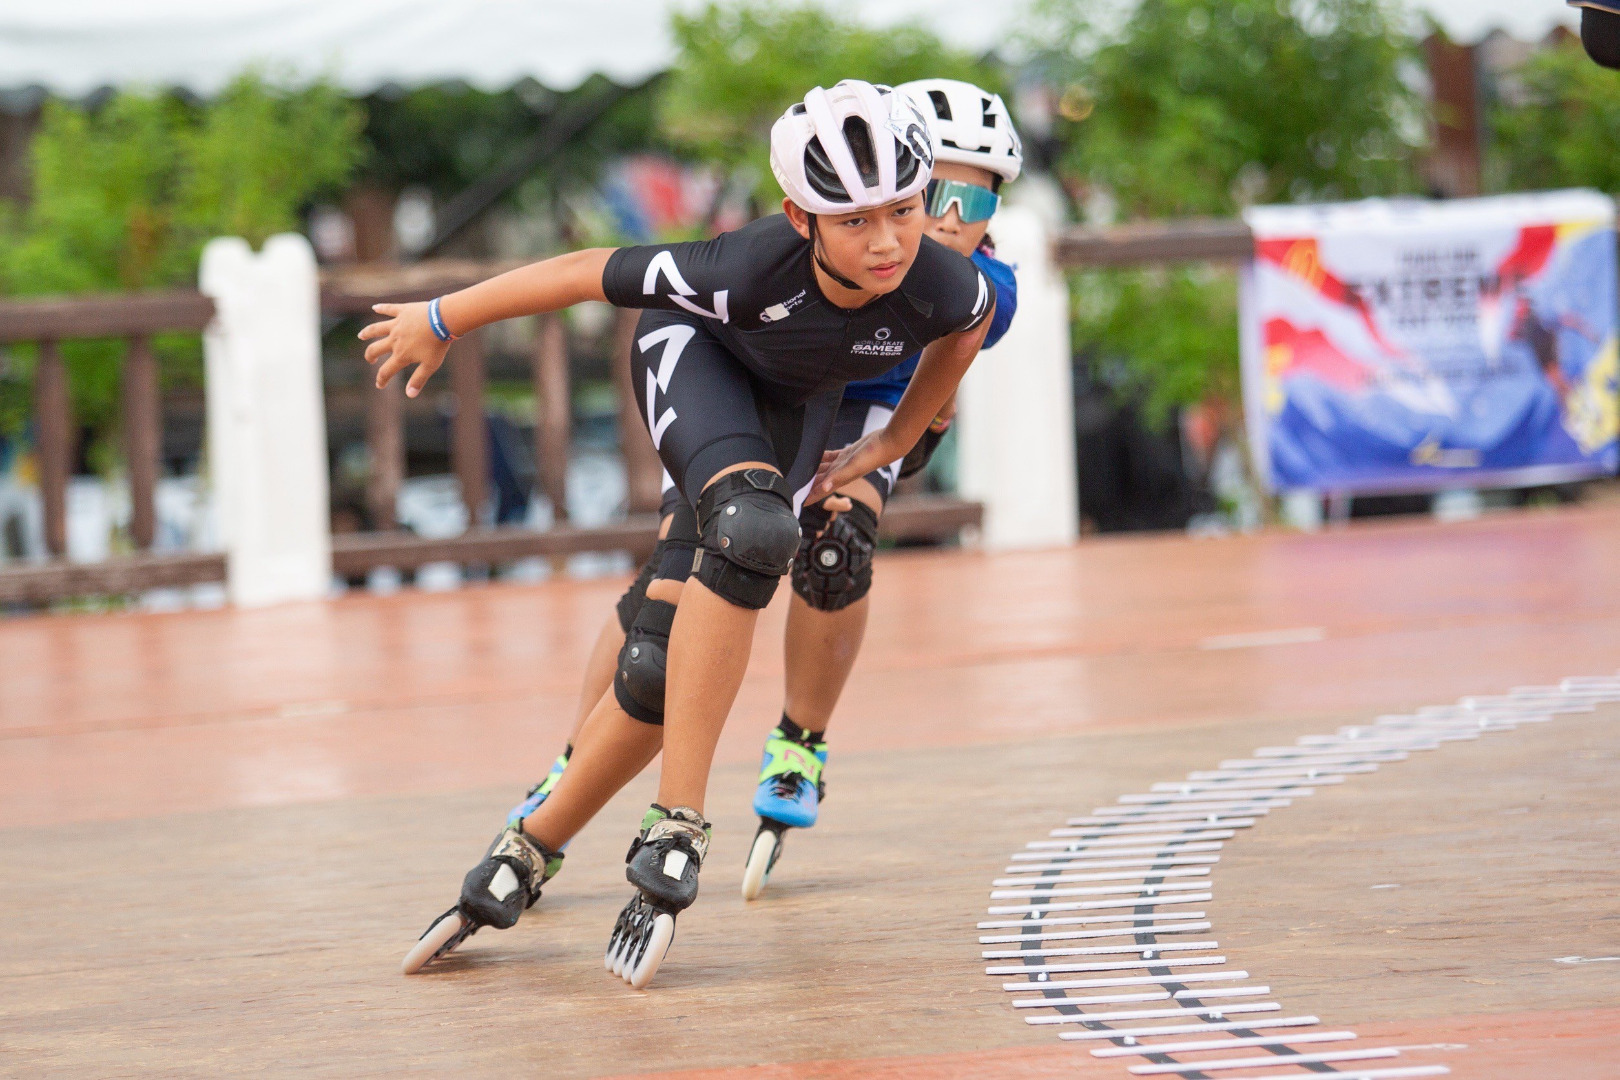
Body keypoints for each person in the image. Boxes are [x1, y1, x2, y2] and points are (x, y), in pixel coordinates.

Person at [377, 79, 997, 988]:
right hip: (696, 357)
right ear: (800, 217)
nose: (887, 242)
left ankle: (529, 845)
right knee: (751, 527)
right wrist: (441, 317)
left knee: (666, 653)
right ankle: (677, 824)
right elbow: (585, 271)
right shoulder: (743, 268)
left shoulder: (945, 283)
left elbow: (966, 333)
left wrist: (894, 441)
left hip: (793, 406)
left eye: (904, 210)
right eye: (854, 220)